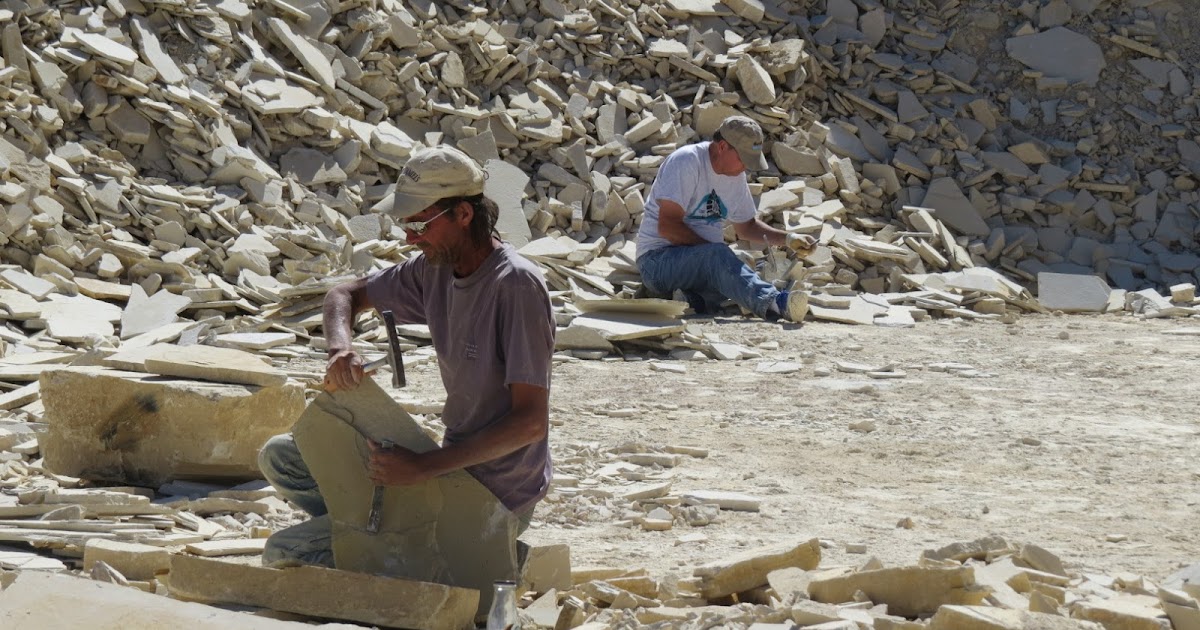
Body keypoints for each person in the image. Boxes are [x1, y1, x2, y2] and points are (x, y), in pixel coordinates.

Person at [258, 146, 555, 566]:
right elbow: (344, 293)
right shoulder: (433, 268)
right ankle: (392, 538)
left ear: (463, 215)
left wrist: (424, 467)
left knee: (284, 554)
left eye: (420, 225)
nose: (410, 238)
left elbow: (529, 424)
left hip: (494, 492)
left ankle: (458, 548)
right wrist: (340, 347)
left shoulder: (516, 287)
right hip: (445, 468)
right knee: (282, 456)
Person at [635, 115, 815, 322]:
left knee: (742, 264)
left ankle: (687, 299)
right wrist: (715, 257)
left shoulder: (735, 176)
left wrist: (788, 239)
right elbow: (668, 227)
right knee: (722, 261)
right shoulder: (687, 162)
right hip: (657, 261)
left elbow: (746, 227)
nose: (745, 167)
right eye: (742, 159)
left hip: (697, 264)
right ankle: (777, 303)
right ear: (722, 147)